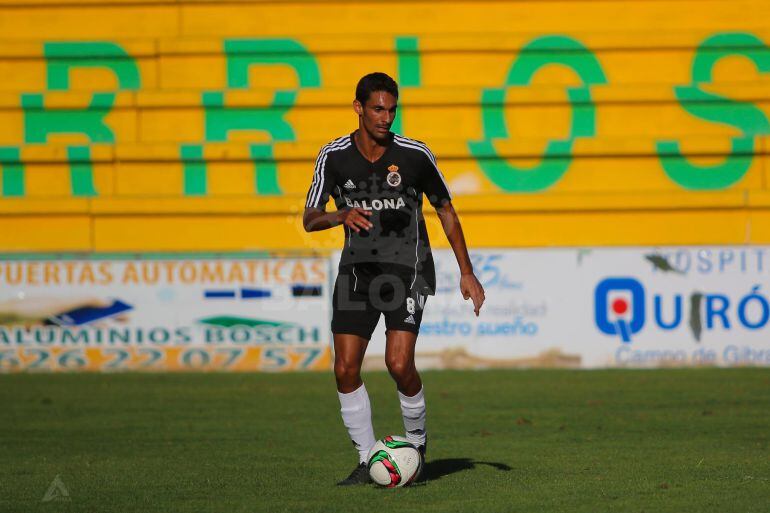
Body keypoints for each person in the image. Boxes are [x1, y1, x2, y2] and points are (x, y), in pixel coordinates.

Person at [303, 72, 485, 485]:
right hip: (357, 271)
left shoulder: (415, 155)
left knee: (398, 363)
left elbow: (446, 211)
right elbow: (310, 218)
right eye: (378, 109)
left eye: (392, 109)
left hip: (409, 269)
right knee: (345, 369)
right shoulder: (333, 156)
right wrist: (339, 215)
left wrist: (467, 272)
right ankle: (369, 461)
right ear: (359, 108)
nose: (386, 117)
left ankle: (416, 446)